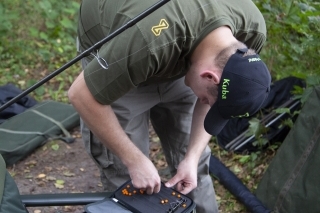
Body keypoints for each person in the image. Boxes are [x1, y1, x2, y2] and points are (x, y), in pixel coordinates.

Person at [68, 0, 271, 212]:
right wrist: (134, 159)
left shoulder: (250, 32)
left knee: (195, 166)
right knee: (128, 178)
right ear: (210, 77)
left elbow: (216, 94)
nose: (205, 104)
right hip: (122, 54)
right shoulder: (145, 39)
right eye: (207, 101)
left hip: (183, 58)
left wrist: (192, 158)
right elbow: (82, 95)